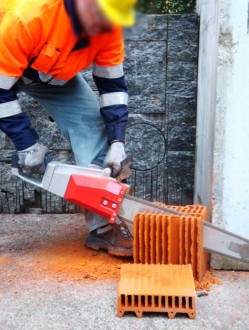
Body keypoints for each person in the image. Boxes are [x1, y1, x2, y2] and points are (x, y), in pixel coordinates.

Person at [0, 0, 137, 257]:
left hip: (48, 73)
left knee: (94, 127)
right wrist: (26, 145)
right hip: (4, 63)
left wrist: (117, 142)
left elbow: (112, 87)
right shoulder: (26, 17)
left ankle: (103, 228)